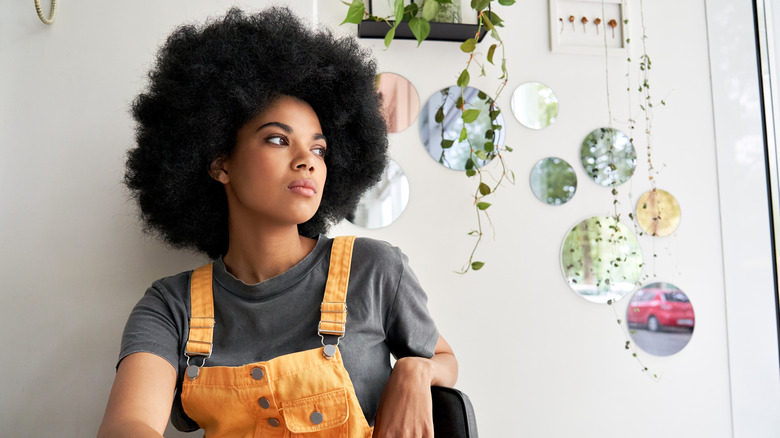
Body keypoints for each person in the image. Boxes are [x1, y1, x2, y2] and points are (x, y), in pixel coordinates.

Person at [98, 6, 457, 438]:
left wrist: (415, 371)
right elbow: (129, 422)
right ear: (219, 164)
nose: (307, 161)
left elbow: (444, 358)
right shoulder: (172, 307)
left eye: (319, 149)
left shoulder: (374, 269)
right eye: (277, 139)